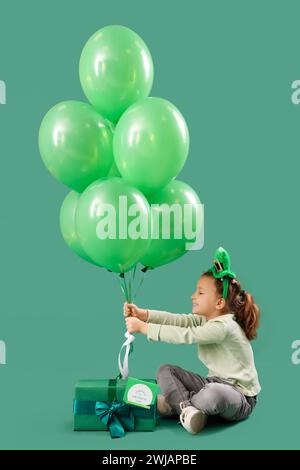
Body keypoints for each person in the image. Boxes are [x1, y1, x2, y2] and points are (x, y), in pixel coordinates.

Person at [123, 247, 261, 435]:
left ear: (219, 303)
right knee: (165, 370)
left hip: (240, 397)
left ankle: (175, 405)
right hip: (211, 381)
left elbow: (186, 335)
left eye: (200, 293)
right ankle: (187, 410)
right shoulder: (207, 319)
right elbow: (178, 320)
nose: (193, 296)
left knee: (213, 393)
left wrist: (143, 328)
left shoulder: (223, 327)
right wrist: (144, 315)